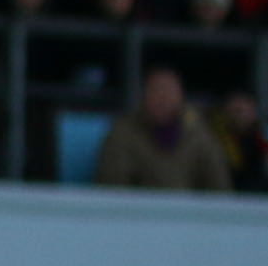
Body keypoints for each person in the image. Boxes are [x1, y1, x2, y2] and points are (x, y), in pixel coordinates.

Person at [100, 65, 237, 192]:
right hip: (139, 209)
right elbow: (112, 189)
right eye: (156, 90)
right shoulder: (122, 134)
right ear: (143, 95)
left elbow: (220, 189)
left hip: (187, 209)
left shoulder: (200, 135)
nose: (162, 98)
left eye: (169, 91)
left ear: (181, 96)